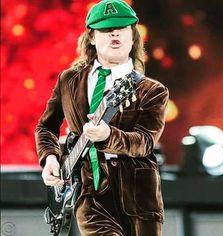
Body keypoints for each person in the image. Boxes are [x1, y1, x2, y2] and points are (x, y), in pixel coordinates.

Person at [35, 0, 169, 235]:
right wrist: (50, 159)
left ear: (133, 36)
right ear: (92, 37)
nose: (115, 33)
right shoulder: (69, 81)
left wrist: (108, 135)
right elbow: (46, 127)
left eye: (122, 27)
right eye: (106, 29)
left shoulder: (152, 90)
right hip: (89, 194)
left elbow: (145, 142)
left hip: (138, 196)